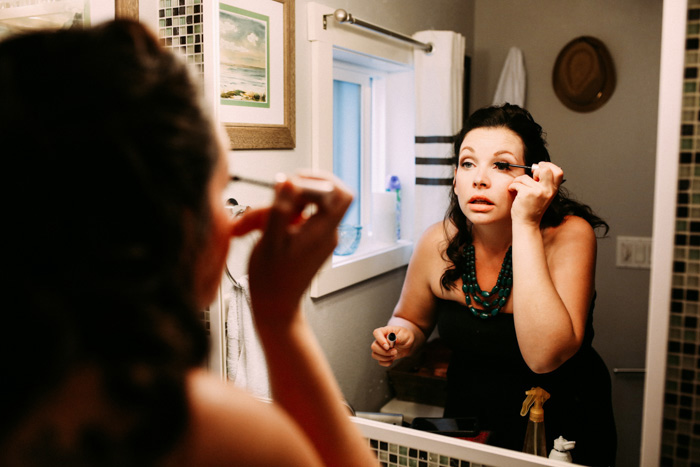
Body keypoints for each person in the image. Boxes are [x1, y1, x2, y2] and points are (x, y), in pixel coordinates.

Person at [0, 20, 378, 466]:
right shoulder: (206, 433)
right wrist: (280, 319)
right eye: (221, 190)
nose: (232, 212)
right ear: (179, 228)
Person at [371, 104, 616, 466]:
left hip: (558, 423)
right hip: (470, 421)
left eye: (501, 165)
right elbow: (412, 318)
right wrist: (401, 337)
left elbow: (544, 356)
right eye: (468, 164)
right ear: (455, 178)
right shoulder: (436, 242)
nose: (479, 178)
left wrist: (527, 223)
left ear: (533, 179)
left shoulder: (569, 236)